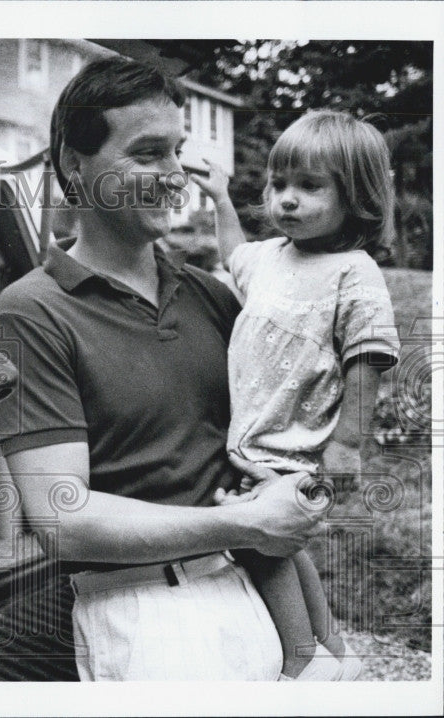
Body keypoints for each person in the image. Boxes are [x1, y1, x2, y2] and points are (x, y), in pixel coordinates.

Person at [0, 56, 326, 681]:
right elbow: (64, 519)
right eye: (147, 154)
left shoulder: (213, 297)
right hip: (147, 618)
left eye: (178, 151)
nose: (175, 176)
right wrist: (248, 521)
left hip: (255, 588)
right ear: (73, 167)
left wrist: (296, 492)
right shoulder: (31, 311)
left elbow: (271, 437)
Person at [191, 110, 400, 679]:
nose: (286, 199)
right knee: (284, 544)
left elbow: (370, 353)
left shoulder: (352, 270)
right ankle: (337, 650)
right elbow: (233, 254)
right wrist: (220, 201)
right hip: (255, 439)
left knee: (262, 543)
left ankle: (302, 659)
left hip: (296, 443)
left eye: (310, 186)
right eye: (279, 184)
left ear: (353, 196)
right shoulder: (269, 258)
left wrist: (348, 444)